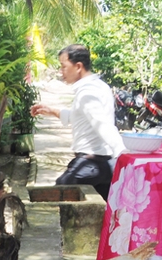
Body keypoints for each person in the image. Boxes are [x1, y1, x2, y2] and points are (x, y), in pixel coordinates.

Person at [30, 44, 124, 200]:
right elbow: (80, 117)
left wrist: (123, 153)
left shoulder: (88, 92)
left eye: (64, 66)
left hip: (90, 165)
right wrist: (52, 111)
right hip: (101, 164)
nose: (61, 72)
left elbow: (102, 125)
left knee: (58, 195)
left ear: (78, 66)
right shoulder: (99, 86)